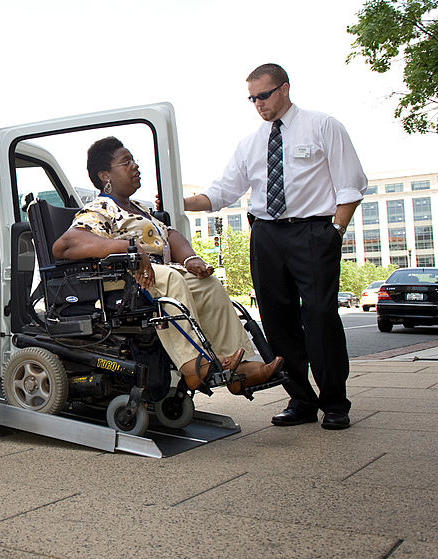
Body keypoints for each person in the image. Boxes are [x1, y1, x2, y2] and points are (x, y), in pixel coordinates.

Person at [183, 63, 367, 430]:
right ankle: (300, 401)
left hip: (313, 233)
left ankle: (334, 403)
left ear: (284, 88)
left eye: (263, 95)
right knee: (278, 321)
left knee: (320, 317)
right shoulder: (250, 143)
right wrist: (177, 199)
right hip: (266, 235)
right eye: (252, 98)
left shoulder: (323, 125)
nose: (258, 104)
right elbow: (222, 192)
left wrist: (335, 231)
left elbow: (351, 183)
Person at [53, 136, 282, 393]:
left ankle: (236, 365)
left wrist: (190, 258)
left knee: (207, 282)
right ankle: (193, 365)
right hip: (125, 280)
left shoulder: (140, 209)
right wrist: (126, 247)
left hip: (159, 274)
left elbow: (170, 235)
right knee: (171, 279)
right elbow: (66, 245)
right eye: (126, 162)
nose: (135, 166)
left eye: (134, 161)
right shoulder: (100, 208)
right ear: (105, 174)